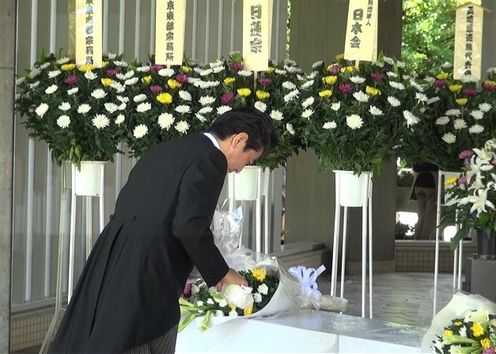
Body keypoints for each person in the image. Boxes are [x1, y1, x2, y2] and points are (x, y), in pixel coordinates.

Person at [49, 108, 277, 354]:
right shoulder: (212, 158)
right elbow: (189, 226)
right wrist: (223, 274)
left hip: (113, 257)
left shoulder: (166, 149)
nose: (242, 168)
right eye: (250, 159)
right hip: (150, 272)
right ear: (239, 140)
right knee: (139, 339)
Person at [410, 162, 438, 240]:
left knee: (421, 215)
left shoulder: (418, 155)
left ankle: (417, 238)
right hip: (431, 185)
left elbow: (415, 167)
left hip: (418, 185)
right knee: (430, 215)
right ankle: (426, 240)